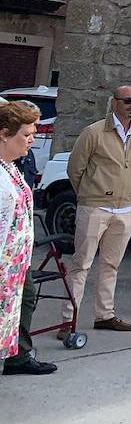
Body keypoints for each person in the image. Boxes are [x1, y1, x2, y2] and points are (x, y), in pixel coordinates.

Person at [64, 86, 131, 333]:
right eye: (127, 101)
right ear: (114, 102)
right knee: (81, 264)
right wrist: (90, 194)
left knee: (111, 265)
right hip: (95, 207)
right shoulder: (93, 132)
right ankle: (68, 319)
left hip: (125, 209)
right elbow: (75, 168)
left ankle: (105, 315)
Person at [1, 101, 49, 375]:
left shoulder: (11, 167)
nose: (32, 140)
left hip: (13, 271)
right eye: (26, 134)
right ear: (5, 134)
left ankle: (16, 358)